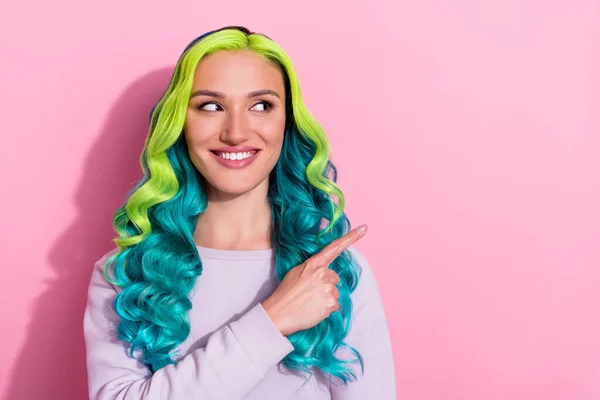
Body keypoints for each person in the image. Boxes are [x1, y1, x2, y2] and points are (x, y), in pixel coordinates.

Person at [83, 25, 396, 399]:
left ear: (287, 122)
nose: (235, 132)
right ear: (180, 123)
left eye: (261, 105)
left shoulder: (334, 274)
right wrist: (272, 321)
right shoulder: (128, 274)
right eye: (211, 106)